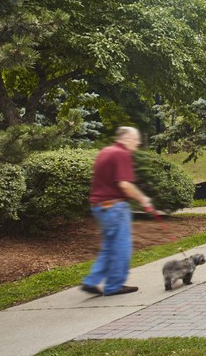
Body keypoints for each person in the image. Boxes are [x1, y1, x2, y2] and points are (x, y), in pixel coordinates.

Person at [81, 126, 154, 297]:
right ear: (126, 138)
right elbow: (124, 184)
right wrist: (143, 199)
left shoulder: (105, 151)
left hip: (99, 207)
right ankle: (114, 285)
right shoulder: (122, 154)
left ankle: (91, 281)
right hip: (115, 207)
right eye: (135, 139)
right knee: (122, 247)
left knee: (109, 246)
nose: (137, 143)